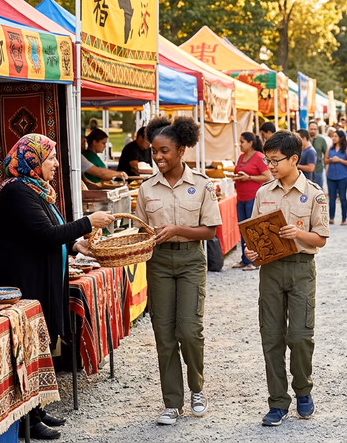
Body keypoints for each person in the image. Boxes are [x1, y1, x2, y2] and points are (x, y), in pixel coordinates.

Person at [0, 134, 116, 440]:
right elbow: (44, 234)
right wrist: (88, 222)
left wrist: (76, 245)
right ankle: (26, 421)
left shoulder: (34, 189)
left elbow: (51, 232)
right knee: (26, 349)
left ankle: (36, 410)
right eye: (51, 158)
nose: (57, 164)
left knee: (37, 348)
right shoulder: (17, 192)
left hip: (36, 277)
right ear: (32, 160)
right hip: (21, 282)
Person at [135, 116, 223, 426]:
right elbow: (142, 231)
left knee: (189, 330)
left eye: (164, 151)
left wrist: (176, 229)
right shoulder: (146, 189)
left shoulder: (201, 185)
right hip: (158, 264)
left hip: (189, 262)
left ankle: (197, 388)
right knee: (164, 334)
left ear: (181, 150)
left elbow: (210, 231)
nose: (158, 157)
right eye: (154, 152)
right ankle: (172, 402)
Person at [244, 130, 329, 427]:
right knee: (271, 336)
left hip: (301, 268)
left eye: (275, 160)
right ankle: (278, 401)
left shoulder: (315, 193)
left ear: (294, 159)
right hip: (270, 270)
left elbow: (320, 239)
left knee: (301, 336)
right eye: (267, 160)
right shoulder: (263, 193)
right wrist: (251, 252)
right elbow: (253, 235)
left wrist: (298, 234)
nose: (270, 165)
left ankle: (303, 390)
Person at [231, 132, 272, 271]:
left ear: (250, 143)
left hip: (253, 197)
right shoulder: (242, 157)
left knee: (252, 230)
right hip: (241, 197)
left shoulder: (259, 157)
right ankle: (245, 259)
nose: (240, 144)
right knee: (243, 228)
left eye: (242, 141)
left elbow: (266, 177)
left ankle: (254, 260)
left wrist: (248, 178)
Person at [325, 129, 347, 225]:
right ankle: (331, 217)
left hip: (343, 176)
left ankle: (344, 218)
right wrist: (330, 160)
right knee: (332, 198)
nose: (333, 138)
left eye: (335, 136)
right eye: (333, 136)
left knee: (342, 197)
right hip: (331, 176)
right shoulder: (330, 149)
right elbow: (325, 160)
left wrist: (340, 160)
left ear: (341, 138)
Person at [309, 121, 329, 187]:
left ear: (317, 130)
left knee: (318, 189)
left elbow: (326, 152)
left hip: (318, 168)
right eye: (311, 129)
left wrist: (326, 164)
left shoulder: (321, 140)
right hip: (307, 169)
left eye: (314, 129)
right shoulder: (305, 139)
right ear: (308, 129)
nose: (313, 131)